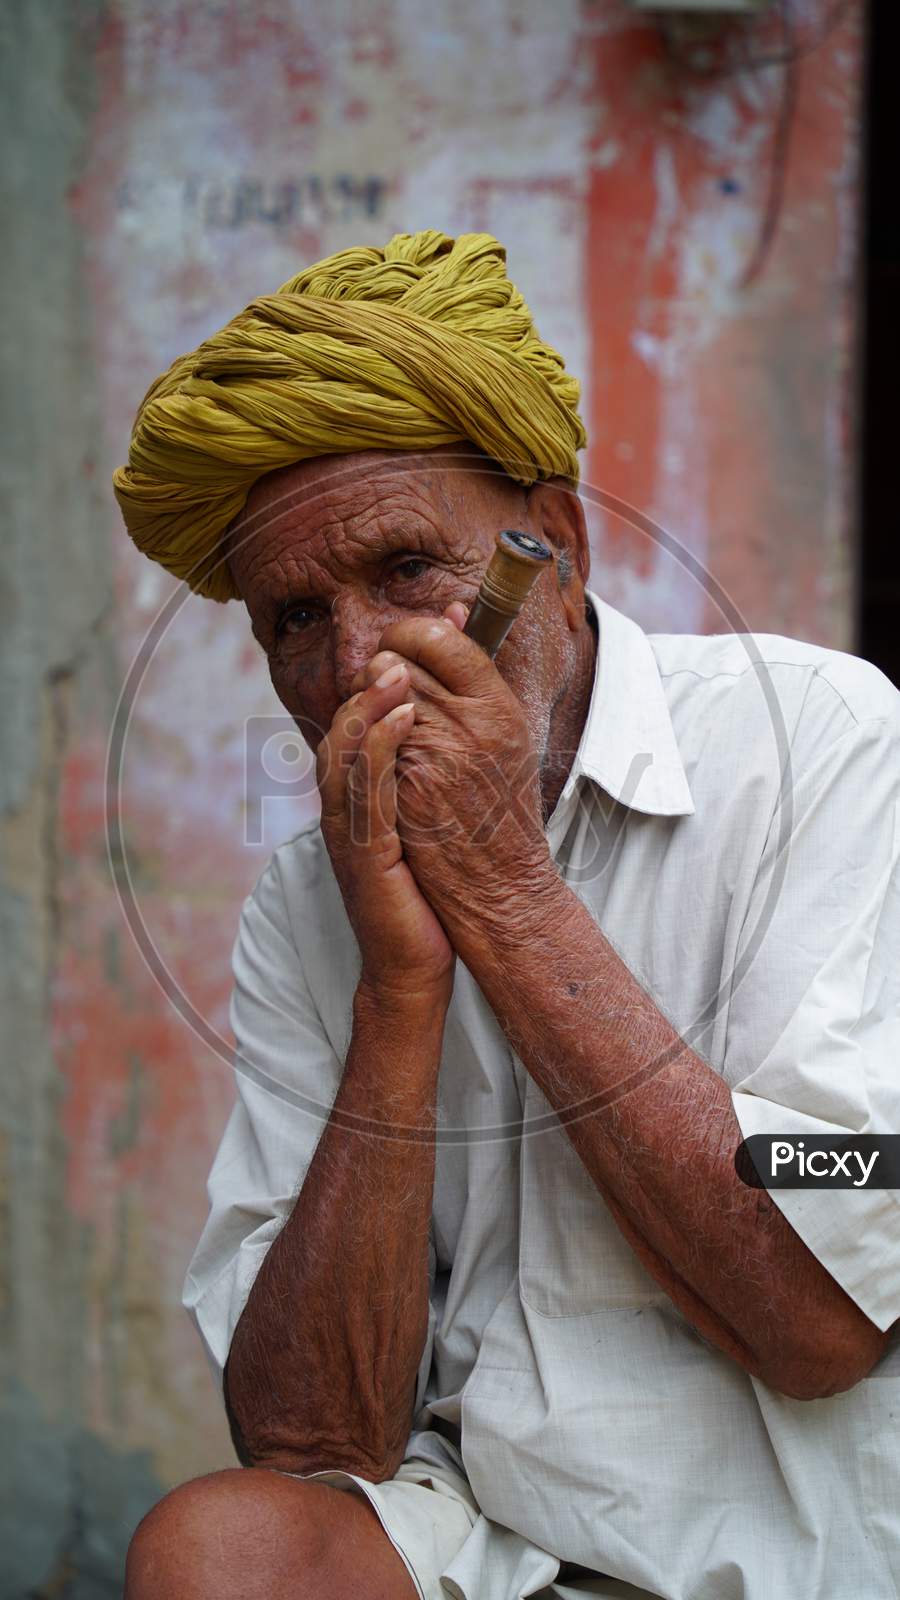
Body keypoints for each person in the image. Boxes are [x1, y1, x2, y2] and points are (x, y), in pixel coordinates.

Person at [115, 232, 900, 1600]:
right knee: (218, 1551)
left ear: (562, 544)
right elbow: (312, 1440)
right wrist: (397, 998)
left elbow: (825, 1318)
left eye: (410, 569)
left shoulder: (819, 741)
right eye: (296, 619)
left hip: (799, 1541)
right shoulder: (311, 899)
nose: (357, 665)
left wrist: (507, 893)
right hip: (479, 1538)